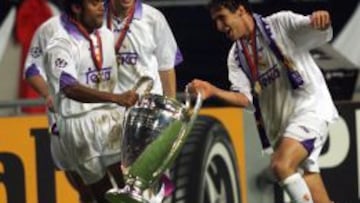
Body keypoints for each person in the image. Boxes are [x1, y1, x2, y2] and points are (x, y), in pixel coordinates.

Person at [187, 1, 338, 203]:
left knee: (281, 165)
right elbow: (244, 100)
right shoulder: (236, 56)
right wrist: (213, 91)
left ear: (240, 10)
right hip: (280, 129)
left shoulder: (280, 24)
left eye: (222, 18)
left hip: (310, 110)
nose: (219, 27)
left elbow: (315, 27)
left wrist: (320, 20)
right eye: (215, 21)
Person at [43, 0, 138, 202]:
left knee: (130, 185)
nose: (101, 7)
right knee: (101, 194)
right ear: (77, 8)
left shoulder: (105, 34)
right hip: (78, 123)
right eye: (94, 3)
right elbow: (69, 88)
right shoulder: (60, 45)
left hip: (110, 116)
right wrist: (117, 97)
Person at [104, 0, 183, 201]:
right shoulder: (96, 18)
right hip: (111, 116)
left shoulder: (153, 18)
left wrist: (170, 114)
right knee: (123, 187)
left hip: (148, 116)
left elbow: (167, 65)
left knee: (150, 183)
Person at [24, 15, 97, 203]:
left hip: (102, 114)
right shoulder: (49, 29)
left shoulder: (108, 25)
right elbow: (32, 69)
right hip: (65, 118)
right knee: (85, 190)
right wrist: (49, 94)